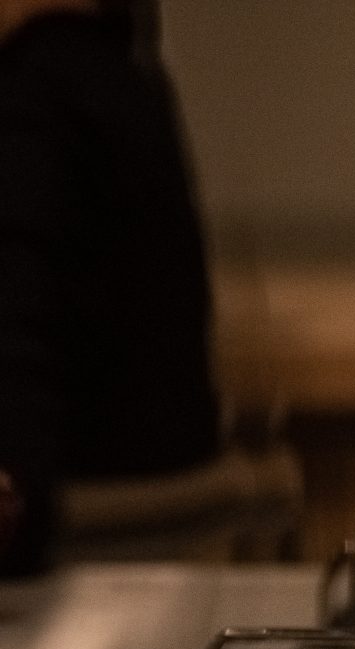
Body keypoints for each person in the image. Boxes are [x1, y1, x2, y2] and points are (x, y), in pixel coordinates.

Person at [0, 0, 223, 578]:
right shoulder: (118, 72)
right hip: (153, 532)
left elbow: (19, 322)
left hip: (78, 558)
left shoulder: (38, 92)